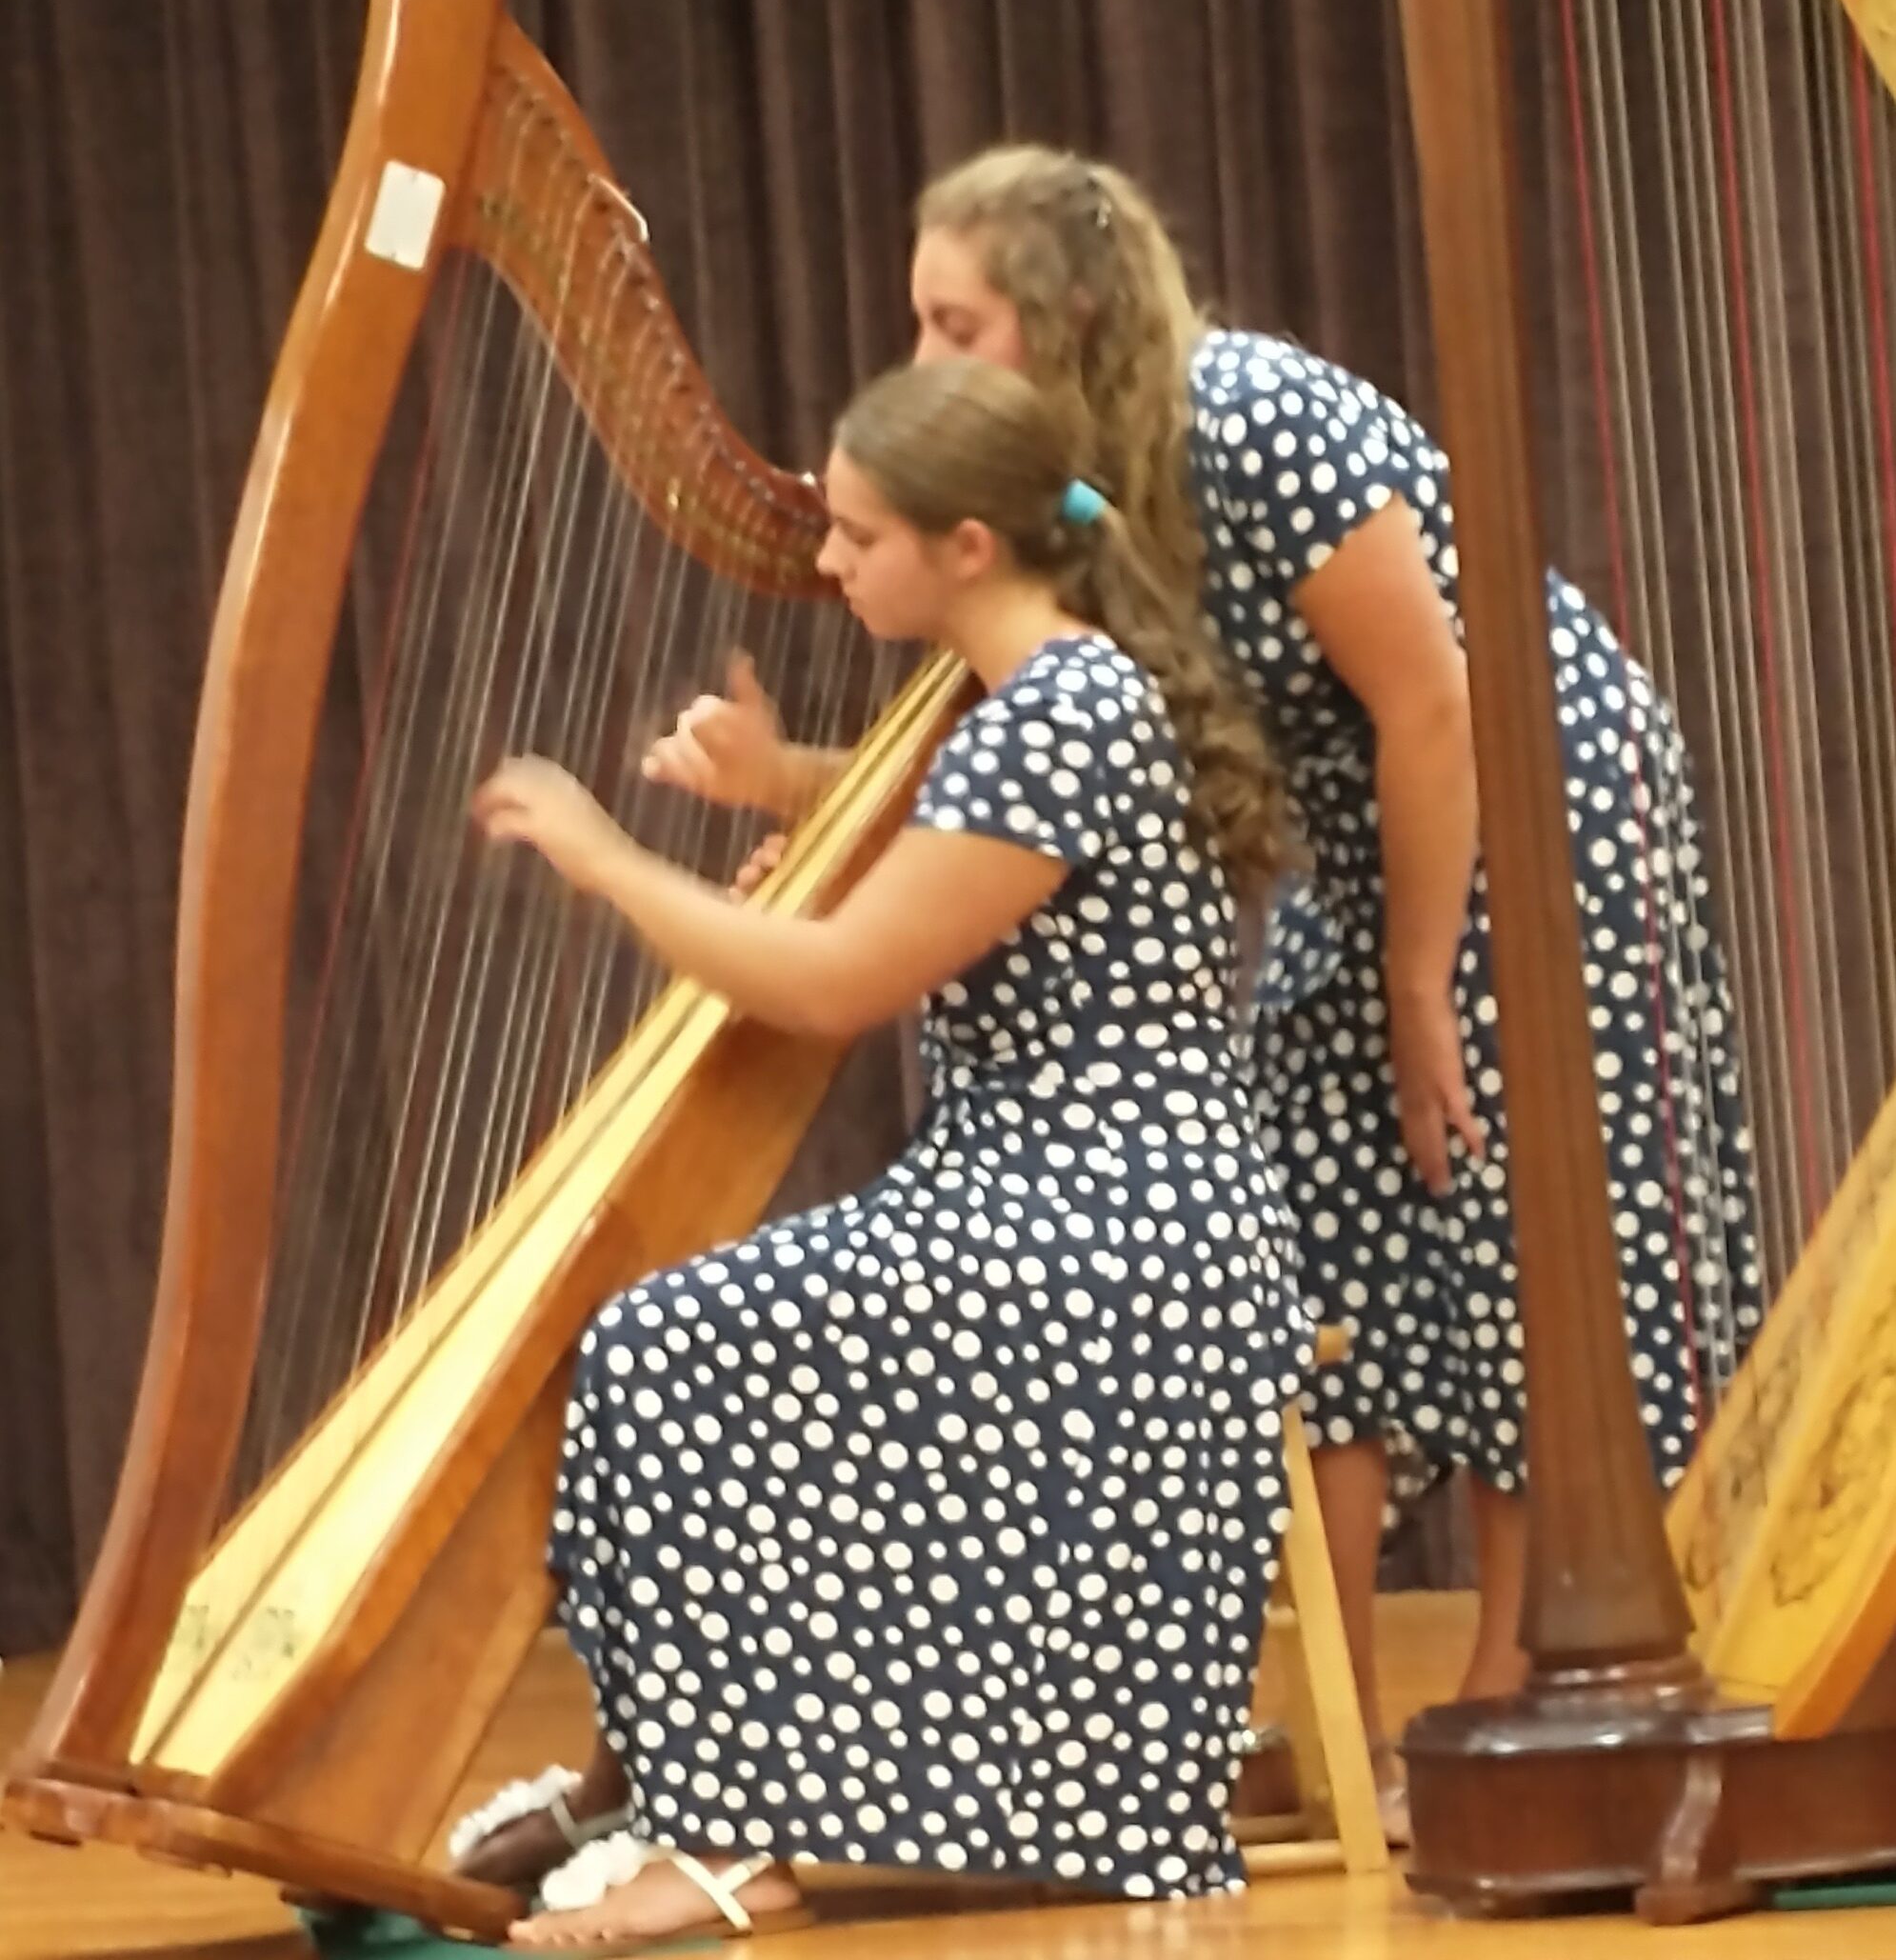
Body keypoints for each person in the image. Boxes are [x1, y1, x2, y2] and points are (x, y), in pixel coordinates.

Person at [642, 146, 1762, 1840]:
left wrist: (1415, 979)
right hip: (1350, 817)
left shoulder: (1250, 420)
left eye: (962, 323)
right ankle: (1343, 1737)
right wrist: (786, 790)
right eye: (920, 324)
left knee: (1522, 1217)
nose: (931, 358)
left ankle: (1515, 1701)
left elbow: (1434, 705)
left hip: (1529, 796)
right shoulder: (1049, 485)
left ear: (1066, 313)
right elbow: (1014, 778)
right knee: (1329, 1227)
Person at [458, 355, 1310, 1948]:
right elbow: (934, 858)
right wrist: (781, 793)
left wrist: (607, 860)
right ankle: (678, 1781)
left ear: (967, 547)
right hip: (1047, 1193)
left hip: (1111, 1224)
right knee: (672, 1336)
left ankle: (728, 1837)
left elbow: (844, 983)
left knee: (660, 1344)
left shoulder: (1056, 715)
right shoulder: (1045, 694)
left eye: (856, 536)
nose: (829, 561)